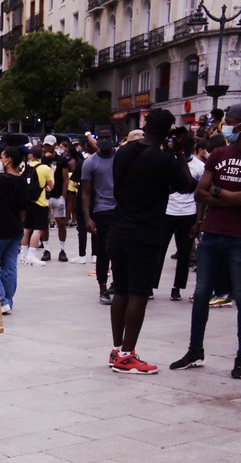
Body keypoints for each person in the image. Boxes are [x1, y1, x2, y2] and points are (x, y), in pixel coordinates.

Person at [105, 109, 194, 375]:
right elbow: (187, 185)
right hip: (144, 235)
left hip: (118, 229)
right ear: (168, 132)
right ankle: (127, 355)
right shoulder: (165, 160)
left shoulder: (124, 152)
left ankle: (117, 349)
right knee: (138, 294)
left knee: (120, 290)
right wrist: (179, 153)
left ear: (145, 126)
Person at [170, 102, 241, 379]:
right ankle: (195, 349)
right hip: (212, 232)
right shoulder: (217, 154)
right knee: (202, 293)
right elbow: (199, 193)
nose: (224, 126)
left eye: (230, 121)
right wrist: (229, 196)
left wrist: (216, 191)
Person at [157, 134, 204, 302]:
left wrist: (198, 221)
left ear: (190, 148)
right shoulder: (168, 162)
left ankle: (177, 288)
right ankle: (150, 285)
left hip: (188, 213)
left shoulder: (200, 166)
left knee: (184, 254)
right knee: (158, 251)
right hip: (167, 212)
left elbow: (200, 196)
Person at [0, 146, 28, 315]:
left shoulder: (1, 180)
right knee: (10, 265)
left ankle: (1, 300)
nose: (0, 161)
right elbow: (23, 207)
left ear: (8, 160)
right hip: (15, 227)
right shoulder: (21, 180)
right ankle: (8, 300)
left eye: (2, 157)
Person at [81, 132, 117, 304]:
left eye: (107, 138)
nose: (104, 141)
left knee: (120, 250)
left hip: (121, 210)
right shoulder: (90, 163)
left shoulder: (120, 157)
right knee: (103, 251)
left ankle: (117, 284)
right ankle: (102, 287)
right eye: (101, 138)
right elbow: (86, 192)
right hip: (102, 211)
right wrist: (87, 217)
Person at [19, 144, 54, 266]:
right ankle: (31, 255)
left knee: (26, 228)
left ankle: (23, 254)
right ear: (42, 155)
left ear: (31, 155)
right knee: (38, 229)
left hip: (28, 202)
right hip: (40, 202)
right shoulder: (45, 168)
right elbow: (51, 184)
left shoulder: (26, 168)